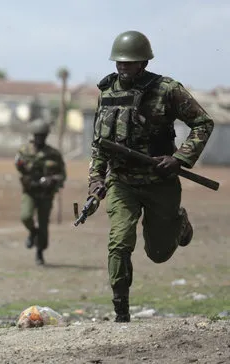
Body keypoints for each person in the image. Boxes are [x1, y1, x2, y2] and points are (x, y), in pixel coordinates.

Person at [86, 30, 214, 322]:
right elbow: (99, 145)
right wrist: (95, 181)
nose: (122, 67)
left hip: (160, 183)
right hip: (121, 182)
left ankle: (179, 222)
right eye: (119, 62)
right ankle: (121, 311)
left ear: (143, 62)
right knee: (119, 243)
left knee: (158, 253)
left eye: (129, 62)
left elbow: (203, 123)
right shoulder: (107, 93)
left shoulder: (167, 90)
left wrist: (179, 158)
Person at [15, 119, 66, 265]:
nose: (39, 138)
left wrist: (52, 180)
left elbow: (62, 174)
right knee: (26, 216)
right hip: (30, 191)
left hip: (46, 194)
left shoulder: (53, 154)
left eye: (42, 135)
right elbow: (19, 167)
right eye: (37, 135)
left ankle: (40, 252)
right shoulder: (24, 151)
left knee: (44, 225)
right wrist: (21, 165)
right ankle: (32, 232)